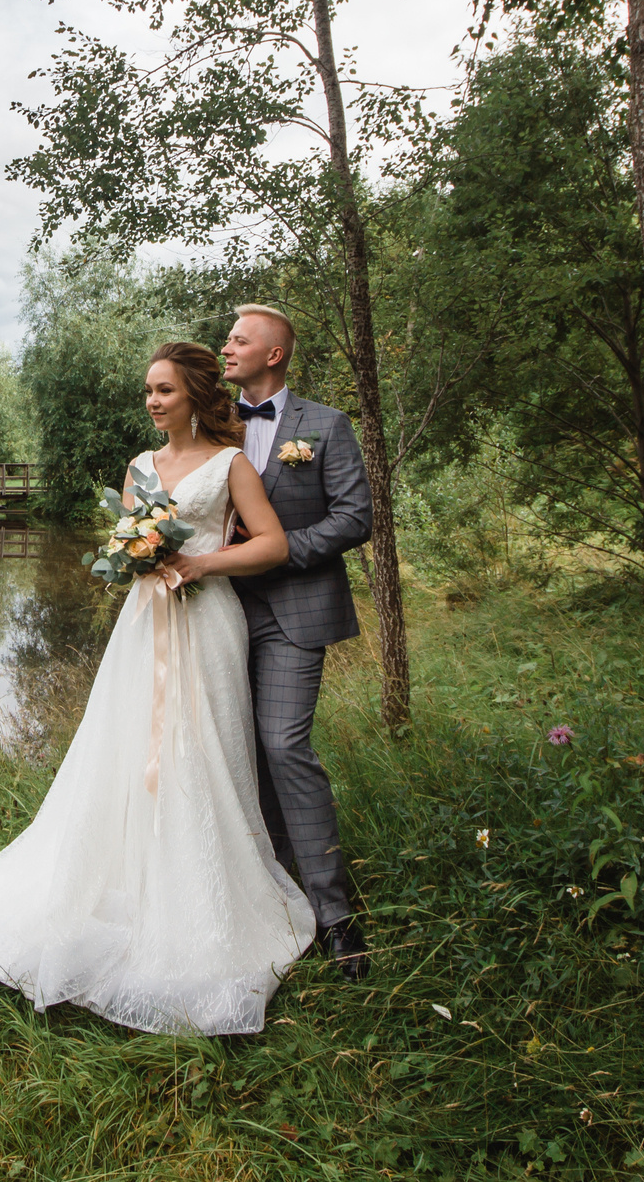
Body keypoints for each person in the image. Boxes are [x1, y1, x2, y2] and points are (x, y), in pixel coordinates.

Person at [0, 341, 318, 1035]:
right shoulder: (139, 468)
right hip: (146, 622)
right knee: (131, 751)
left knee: (204, 749)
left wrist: (201, 561)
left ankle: (202, 892)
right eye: (148, 392)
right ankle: (125, 879)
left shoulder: (230, 463)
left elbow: (272, 543)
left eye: (164, 390)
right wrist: (140, 554)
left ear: (193, 393)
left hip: (210, 619)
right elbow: (129, 544)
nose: (153, 402)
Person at [221, 302, 372, 978]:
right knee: (240, 752)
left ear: (273, 353)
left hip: (294, 609)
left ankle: (336, 914)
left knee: (284, 744)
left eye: (239, 338)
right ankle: (273, 897)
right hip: (218, 611)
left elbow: (354, 515)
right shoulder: (214, 422)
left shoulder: (325, 425)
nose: (227, 347)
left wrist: (277, 550)